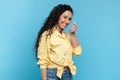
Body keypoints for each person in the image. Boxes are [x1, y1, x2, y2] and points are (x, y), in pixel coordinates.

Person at [35, 4, 82, 80]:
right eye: (65, 17)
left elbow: (78, 52)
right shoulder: (47, 35)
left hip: (67, 73)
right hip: (52, 74)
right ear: (58, 16)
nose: (67, 21)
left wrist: (72, 35)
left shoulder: (66, 36)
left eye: (69, 19)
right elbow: (42, 60)